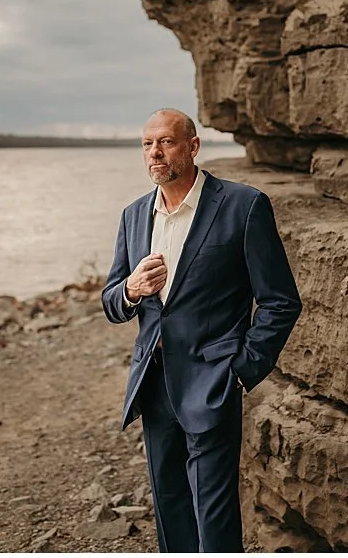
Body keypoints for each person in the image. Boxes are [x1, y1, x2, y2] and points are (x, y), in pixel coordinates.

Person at [102, 110, 301, 552]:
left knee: (214, 513)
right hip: (153, 384)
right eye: (148, 143)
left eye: (167, 142)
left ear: (193, 147)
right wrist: (132, 290)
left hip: (213, 382)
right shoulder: (134, 215)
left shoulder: (243, 206)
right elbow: (111, 301)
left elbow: (280, 301)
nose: (155, 152)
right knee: (170, 505)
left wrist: (241, 369)